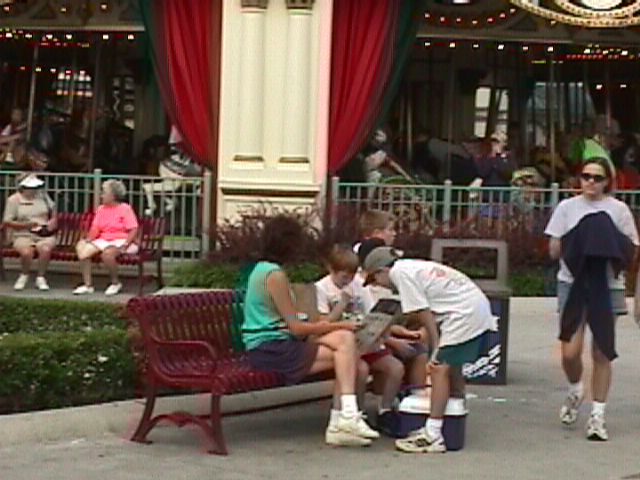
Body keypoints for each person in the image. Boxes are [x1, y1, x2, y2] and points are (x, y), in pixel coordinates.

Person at [241, 215, 379, 447]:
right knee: (346, 345)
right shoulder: (274, 275)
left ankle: (344, 420)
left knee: (347, 351)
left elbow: (289, 319)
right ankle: (344, 419)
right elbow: (295, 328)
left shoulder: (263, 269)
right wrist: (340, 325)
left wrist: (321, 325)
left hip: (275, 343)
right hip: (271, 348)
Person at [362, 246, 498, 453]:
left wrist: (435, 348)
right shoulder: (412, 266)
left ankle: (433, 434)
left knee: (438, 369)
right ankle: (454, 410)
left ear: (381, 271)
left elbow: (423, 314)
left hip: (463, 314)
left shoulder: (399, 274)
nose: (378, 285)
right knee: (452, 366)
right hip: (473, 307)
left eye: (374, 280)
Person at [544, 158, 638, 441]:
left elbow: (632, 249)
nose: (591, 182)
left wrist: (607, 247)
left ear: (607, 182)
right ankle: (575, 388)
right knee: (570, 352)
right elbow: (553, 248)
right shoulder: (567, 208)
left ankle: (598, 415)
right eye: (586, 176)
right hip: (572, 283)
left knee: (602, 351)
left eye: (597, 178)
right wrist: (575, 244)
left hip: (608, 286)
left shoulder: (618, 210)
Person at [314, 244, 404, 436]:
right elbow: (323, 324)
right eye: (344, 277)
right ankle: (357, 413)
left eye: (352, 276)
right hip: (343, 344)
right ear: (331, 270)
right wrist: (343, 303)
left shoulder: (358, 285)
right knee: (360, 370)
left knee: (396, 368)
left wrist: (383, 326)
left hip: (366, 341)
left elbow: (371, 311)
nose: (349, 281)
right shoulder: (322, 288)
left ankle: (385, 410)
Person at [73, 180, 139, 296]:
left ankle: (115, 283)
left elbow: (133, 229)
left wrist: (126, 244)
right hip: (104, 240)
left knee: (107, 254)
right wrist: (88, 240)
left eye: (104, 192)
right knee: (82, 249)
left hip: (123, 240)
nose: (101, 195)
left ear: (113, 196)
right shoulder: (101, 209)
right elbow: (95, 228)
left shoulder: (125, 208)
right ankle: (88, 285)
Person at [2, 173, 57, 291]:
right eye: (31, 188)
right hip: (22, 234)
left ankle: (41, 277)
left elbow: (53, 208)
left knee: (45, 249)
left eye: (35, 187)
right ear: (23, 187)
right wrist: (27, 225)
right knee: (27, 252)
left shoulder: (43, 196)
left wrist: (53, 220)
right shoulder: (13, 200)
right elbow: (7, 221)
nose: (34, 190)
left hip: (44, 234)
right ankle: (24, 275)